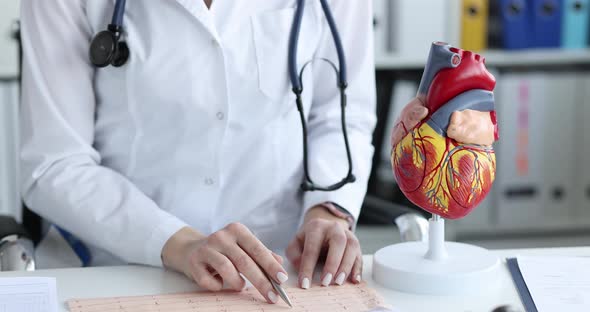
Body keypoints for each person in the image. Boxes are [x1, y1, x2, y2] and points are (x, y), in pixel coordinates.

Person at [19, 0, 376, 304]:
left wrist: (328, 212)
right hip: (116, 270)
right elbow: (55, 162)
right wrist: (179, 243)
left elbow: (340, 116)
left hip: (283, 275)